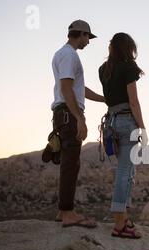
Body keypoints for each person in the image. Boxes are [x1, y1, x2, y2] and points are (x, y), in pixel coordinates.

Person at [51, 20, 106, 228]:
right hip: (69, 113)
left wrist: (104, 99)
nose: (89, 42)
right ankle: (67, 213)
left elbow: (78, 89)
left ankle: (62, 210)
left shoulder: (64, 54)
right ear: (80, 34)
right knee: (71, 163)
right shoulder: (69, 55)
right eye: (88, 37)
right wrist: (80, 118)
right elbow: (66, 89)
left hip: (64, 113)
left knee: (69, 161)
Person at [99, 32, 148, 239]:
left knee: (127, 171)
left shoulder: (103, 69)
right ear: (128, 48)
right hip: (127, 121)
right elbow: (134, 101)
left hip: (110, 122)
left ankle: (125, 218)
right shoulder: (128, 67)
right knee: (125, 172)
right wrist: (143, 128)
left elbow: (110, 98)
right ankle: (119, 224)